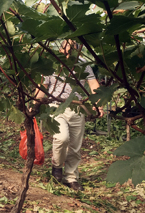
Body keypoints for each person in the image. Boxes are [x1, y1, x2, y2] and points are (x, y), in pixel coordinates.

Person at [35, 40, 104, 191]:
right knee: (62, 138)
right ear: (60, 46)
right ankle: (57, 166)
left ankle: (71, 177)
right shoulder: (51, 64)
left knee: (75, 146)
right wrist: (34, 104)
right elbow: (43, 86)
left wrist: (98, 103)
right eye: (67, 44)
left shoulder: (83, 63)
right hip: (55, 107)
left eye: (74, 44)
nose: (71, 47)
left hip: (77, 108)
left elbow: (93, 84)